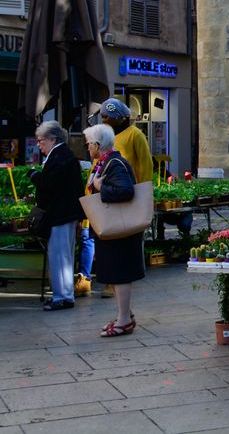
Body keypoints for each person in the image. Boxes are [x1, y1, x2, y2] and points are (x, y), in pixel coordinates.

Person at [78, 98, 156, 299]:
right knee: (95, 237)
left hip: (123, 194)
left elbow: (145, 165)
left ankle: (116, 281)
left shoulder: (135, 135)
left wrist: (143, 195)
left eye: (108, 117)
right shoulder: (103, 137)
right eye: (103, 116)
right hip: (102, 196)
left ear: (120, 118)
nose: (105, 120)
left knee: (119, 238)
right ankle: (88, 277)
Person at [84, 123, 143, 337]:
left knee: (120, 274)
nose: (87, 148)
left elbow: (125, 191)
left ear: (98, 145)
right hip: (114, 230)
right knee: (115, 274)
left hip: (120, 231)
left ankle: (125, 319)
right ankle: (124, 314)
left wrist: (100, 188)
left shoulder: (115, 163)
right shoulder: (107, 162)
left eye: (89, 144)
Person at [30, 121, 85, 311]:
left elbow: (50, 185)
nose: (39, 145)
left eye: (41, 141)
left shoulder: (60, 157)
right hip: (65, 213)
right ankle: (64, 294)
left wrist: (34, 176)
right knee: (64, 256)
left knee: (60, 256)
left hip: (60, 214)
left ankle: (62, 296)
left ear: (53, 139)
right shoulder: (63, 155)